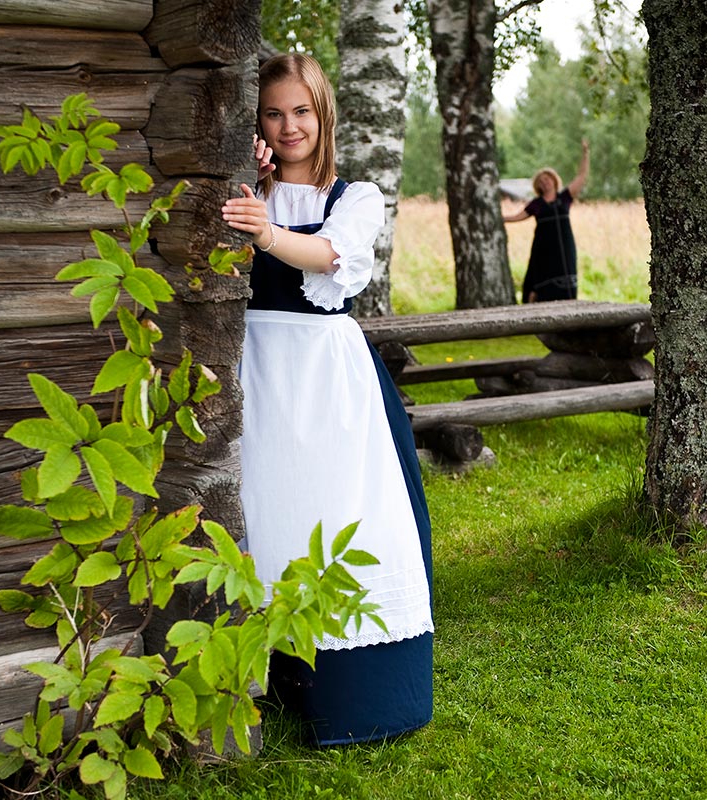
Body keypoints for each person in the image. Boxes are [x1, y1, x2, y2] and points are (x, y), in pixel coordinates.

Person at [220, 52, 434, 746]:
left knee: (338, 510)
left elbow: (330, 257)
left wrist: (265, 231)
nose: (289, 127)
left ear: (324, 114)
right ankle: (264, 678)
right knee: (264, 506)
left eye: (301, 111)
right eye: (273, 114)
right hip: (255, 364)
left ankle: (350, 694)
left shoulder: (356, 197)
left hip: (324, 373)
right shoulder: (242, 187)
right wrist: (240, 180)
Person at [503, 139, 590, 302]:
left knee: (566, 274)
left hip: (564, 245)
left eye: (547, 179)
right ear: (538, 186)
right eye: (541, 181)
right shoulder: (536, 204)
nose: (545, 182)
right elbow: (518, 216)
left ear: (554, 180)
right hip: (543, 247)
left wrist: (585, 154)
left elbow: (581, 177)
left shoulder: (565, 197)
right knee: (540, 277)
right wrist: (502, 219)